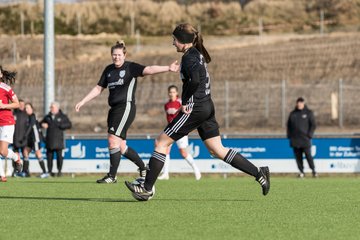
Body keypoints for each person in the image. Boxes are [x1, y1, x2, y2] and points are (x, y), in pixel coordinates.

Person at [125, 23, 270, 201]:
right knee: (217, 150)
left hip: (195, 108)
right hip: (206, 105)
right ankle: (259, 173)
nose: (173, 43)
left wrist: (184, 101)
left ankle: (146, 188)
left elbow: (193, 81)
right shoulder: (196, 54)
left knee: (161, 143)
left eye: (174, 40)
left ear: (184, 42)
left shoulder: (189, 57)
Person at [75, 40, 179, 184]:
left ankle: (112, 176)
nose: (116, 57)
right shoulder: (109, 70)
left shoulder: (131, 67)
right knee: (121, 146)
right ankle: (143, 168)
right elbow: (99, 88)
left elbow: (149, 69)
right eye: (114, 55)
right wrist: (83, 101)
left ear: (124, 55)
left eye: (118, 55)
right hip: (114, 110)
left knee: (112, 140)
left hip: (126, 107)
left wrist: (168, 68)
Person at [158, 85, 201, 180]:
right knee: (165, 150)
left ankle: (196, 169)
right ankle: (165, 173)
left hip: (180, 130)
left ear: (177, 93)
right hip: (170, 131)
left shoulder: (181, 102)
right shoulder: (167, 105)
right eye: (170, 92)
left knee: (183, 153)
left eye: (173, 92)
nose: (171, 94)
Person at [0, 65, 22, 182]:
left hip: (6, 122)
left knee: (3, 151)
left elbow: (17, 104)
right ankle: (1, 174)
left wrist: (4, 105)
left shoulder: (5, 88)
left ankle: (16, 157)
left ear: (1, 75)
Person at [287, 97, 317, 178]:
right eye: (298, 103)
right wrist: (289, 136)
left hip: (305, 139)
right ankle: (301, 172)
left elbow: (313, 125)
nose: (299, 104)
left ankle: (314, 171)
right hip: (295, 140)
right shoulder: (293, 114)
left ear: (303, 103)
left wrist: (309, 135)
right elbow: (289, 126)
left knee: (308, 156)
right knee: (298, 157)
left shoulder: (308, 113)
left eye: (301, 102)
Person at [41, 102, 72, 177]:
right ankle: (50, 171)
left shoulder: (62, 116)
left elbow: (69, 125)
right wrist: (42, 124)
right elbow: (40, 123)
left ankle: (59, 171)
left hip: (59, 141)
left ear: (57, 108)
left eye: (52, 107)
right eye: (50, 107)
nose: (51, 109)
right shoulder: (47, 117)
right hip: (49, 141)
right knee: (49, 158)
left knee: (59, 158)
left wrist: (60, 125)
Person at [20, 103, 48, 178]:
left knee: (38, 153)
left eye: (28, 108)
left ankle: (45, 172)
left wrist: (25, 135)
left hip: (35, 138)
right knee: (25, 152)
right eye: (25, 108)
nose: (26, 109)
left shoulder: (32, 116)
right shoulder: (27, 117)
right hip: (30, 138)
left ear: (32, 109)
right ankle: (25, 172)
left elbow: (31, 126)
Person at [12, 99, 27, 176]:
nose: (21, 106)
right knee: (15, 155)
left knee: (25, 154)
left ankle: (25, 171)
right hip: (15, 139)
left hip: (24, 139)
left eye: (23, 105)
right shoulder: (14, 114)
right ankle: (15, 171)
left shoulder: (27, 115)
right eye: (20, 104)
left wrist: (26, 137)